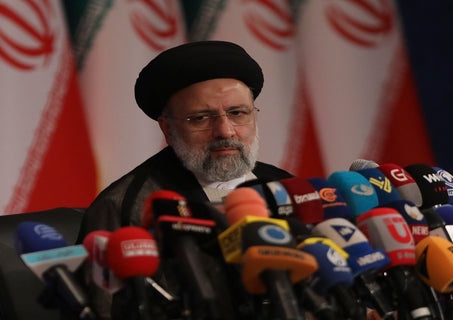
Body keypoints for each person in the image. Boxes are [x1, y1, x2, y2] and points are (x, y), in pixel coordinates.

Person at [77, 40, 293, 319]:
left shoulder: (285, 186)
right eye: (201, 118)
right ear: (167, 128)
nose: (225, 131)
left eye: (238, 113)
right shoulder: (124, 207)